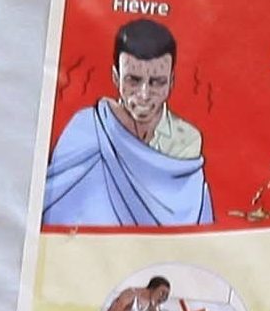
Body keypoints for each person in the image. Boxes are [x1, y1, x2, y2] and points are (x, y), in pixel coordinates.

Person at [40, 17, 207, 227]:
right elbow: (55, 208)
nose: (144, 94)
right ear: (116, 77)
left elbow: (187, 220)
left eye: (157, 82)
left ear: (171, 82)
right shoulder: (87, 129)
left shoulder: (187, 140)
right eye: (133, 80)